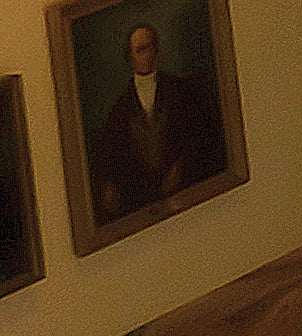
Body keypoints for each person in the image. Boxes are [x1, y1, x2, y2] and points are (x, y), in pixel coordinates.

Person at [89, 17, 224, 229]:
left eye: (150, 47)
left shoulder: (181, 91)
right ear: (130, 57)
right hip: (142, 202)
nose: (148, 54)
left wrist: (181, 167)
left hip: (188, 196)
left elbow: (200, 138)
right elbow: (111, 159)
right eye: (141, 50)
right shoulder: (120, 109)